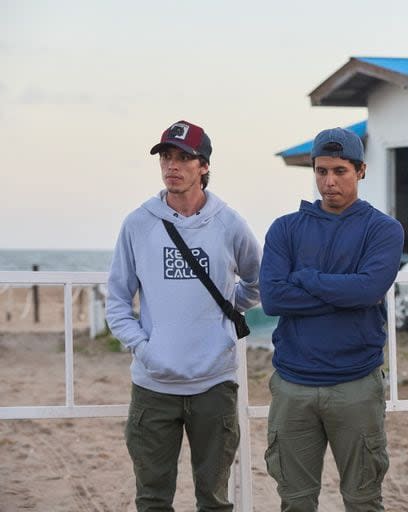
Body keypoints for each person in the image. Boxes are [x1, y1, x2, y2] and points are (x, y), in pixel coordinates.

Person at [106, 120, 262, 512]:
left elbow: (258, 282)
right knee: (153, 499)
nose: (172, 166)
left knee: (214, 500)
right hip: (154, 385)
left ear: (204, 166)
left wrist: (225, 318)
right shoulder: (139, 223)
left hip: (214, 383)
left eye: (184, 158)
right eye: (167, 157)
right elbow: (118, 300)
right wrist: (145, 348)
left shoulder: (229, 223)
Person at [259, 127, 404, 511]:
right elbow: (272, 298)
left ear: (360, 171)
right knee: (295, 501)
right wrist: (343, 293)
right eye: (321, 171)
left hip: (355, 384)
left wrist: (305, 278)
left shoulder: (383, 229)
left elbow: (368, 291)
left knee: (363, 499)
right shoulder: (285, 229)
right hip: (293, 385)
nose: (329, 181)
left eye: (339, 171)